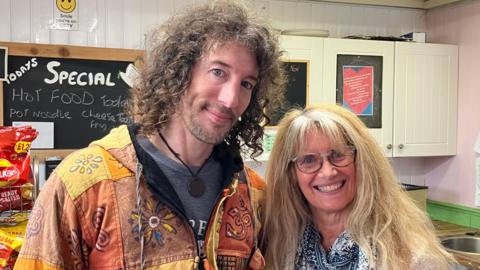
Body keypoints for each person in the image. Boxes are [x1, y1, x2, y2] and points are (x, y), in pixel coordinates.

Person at [15, 1, 285, 269]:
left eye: (246, 83)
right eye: (218, 72)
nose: (230, 99)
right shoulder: (83, 185)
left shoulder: (253, 194)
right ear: (180, 71)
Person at [261, 104, 456, 270]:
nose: (328, 172)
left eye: (338, 155)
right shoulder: (277, 246)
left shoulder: (412, 255)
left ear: (362, 161)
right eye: (309, 160)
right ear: (291, 174)